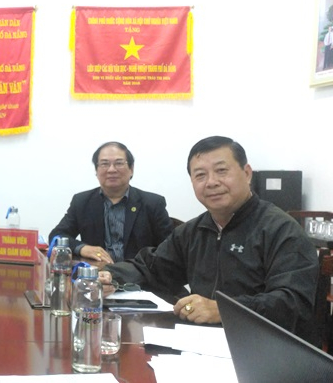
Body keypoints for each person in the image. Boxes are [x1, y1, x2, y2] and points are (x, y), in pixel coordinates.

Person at [99, 136, 319, 344]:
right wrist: (108, 276)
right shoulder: (194, 230)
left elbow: (292, 302)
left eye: (221, 171)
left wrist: (222, 309)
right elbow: (153, 268)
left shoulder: (282, 230)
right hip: (202, 343)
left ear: (247, 173)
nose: (212, 182)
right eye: (200, 175)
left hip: (263, 348)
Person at [48, 142, 172, 264]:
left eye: (119, 163)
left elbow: (170, 248)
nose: (111, 170)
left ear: (131, 169)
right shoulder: (82, 202)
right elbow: (56, 236)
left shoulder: (153, 204)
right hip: (97, 274)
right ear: (96, 170)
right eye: (104, 164)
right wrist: (82, 248)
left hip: (139, 275)